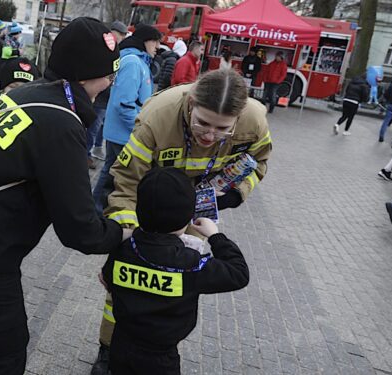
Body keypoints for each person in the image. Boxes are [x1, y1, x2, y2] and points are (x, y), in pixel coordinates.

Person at [0, 17, 128, 374]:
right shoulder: (62, 123)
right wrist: (120, 233)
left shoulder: (28, 94)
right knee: (7, 351)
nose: (111, 80)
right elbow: (79, 230)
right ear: (85, 74)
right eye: (108, 72)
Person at [90, 68, 271, 375]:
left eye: (222, 129)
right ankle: (109, 347)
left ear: (238, 118)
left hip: (196, 210)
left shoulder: (254, 121)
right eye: (202, 122)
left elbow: (259, 162)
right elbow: (128, 182)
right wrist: (128, 239)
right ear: (190, 103)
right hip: (153, 205)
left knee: (176, 282)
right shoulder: (158, 118)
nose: (209, 136)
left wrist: (235, 194)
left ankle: (161, 341)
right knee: (129, 278)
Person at [102, 167, 249, 375]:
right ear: (188, 217)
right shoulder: (190, 264)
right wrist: (216, 236)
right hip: (160, 358)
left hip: (120, 345)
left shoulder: (125, 248)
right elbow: (239, 273)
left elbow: (107, 277)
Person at [92, 24, 161, 214]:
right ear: (145, 40)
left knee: (112, 173)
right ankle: (95, 212)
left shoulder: (139, 61)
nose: (157, 46)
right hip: (124, 132)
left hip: (123, 131)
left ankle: (95, 211)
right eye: (155, 41)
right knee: (114, 174)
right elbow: (124, 103)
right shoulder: (133, 62)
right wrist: (139, 128)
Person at [87, 20, 127, 166]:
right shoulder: (106, 47)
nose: (120, 38)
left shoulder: (118, 50)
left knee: (99, 126)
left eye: (123, 35)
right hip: (100, 96)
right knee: (93, 126)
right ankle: (86, 154)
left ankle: (95, 148)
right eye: (120, 34)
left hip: (106, 97)